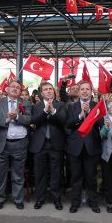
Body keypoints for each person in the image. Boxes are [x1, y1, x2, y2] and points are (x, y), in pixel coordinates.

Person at [0, 79, 31, 210]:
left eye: (18, 88)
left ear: (20, 92)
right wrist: (8, 119)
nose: (15, 89)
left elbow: (29, 119)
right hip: (2, 143)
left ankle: (18, 199)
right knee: (0, 174)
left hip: (20, 144)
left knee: (18, 174)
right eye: (12, 87)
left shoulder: (25, 103)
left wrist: (17, 117)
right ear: (7, 89)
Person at [66, 81, 103, 214]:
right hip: (75, 147)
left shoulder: (96, 106)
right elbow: (68, 124)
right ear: (79, 91)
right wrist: (81, 115)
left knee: (91, 177)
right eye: (82, 89)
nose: (85, 91)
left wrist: (92, 113)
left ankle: (93, 202)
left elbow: (101, 124)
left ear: (91, 92)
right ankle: (75, 203)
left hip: (92, 147)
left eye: (87, 89)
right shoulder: (72, 106)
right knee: (76, 177)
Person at [30, 82, 66, 210]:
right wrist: (45, 112)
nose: (49, 91)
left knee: (56, 173)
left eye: (51, 89)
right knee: (40, 174)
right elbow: (33, 121)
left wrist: (54, 111)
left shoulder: (61, 105)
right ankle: (40, 199)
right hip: (40, 145)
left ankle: (56, 199)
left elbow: (63, 120)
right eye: (45, 89)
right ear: (41, 93)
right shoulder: (36, 106)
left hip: (55, 144)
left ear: (54, 92)